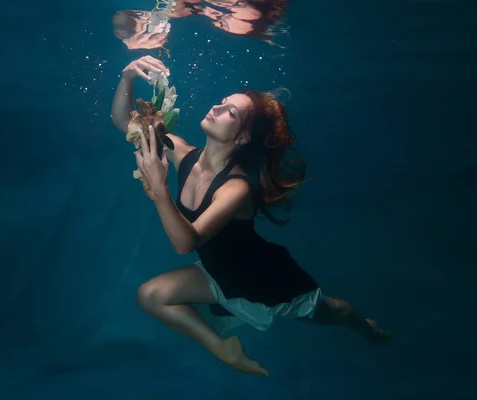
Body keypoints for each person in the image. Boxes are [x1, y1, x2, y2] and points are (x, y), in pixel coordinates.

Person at [111, 55, 389, 377]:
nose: (216, 107)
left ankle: (365, 327)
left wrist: (160, 189)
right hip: (219, 273)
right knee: (149, 295)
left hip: (258, 278)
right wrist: (127, 75)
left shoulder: (236, 187)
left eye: (230, 111)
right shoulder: (184, 153)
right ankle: (223, 349)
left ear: (242, 137)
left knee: (331, 311)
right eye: (222, 102)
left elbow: (187, 242)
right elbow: (125, 122)